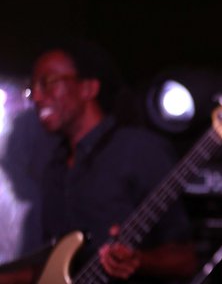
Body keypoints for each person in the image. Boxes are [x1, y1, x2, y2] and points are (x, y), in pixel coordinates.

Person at [0, 38, 198, 283]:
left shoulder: (138, 149)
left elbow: (186, 259)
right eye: (32, 88)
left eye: (48, 83)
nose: (37, 97)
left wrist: (139, 260)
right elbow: (51, 270)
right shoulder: (54, 170)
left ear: (88, 88)